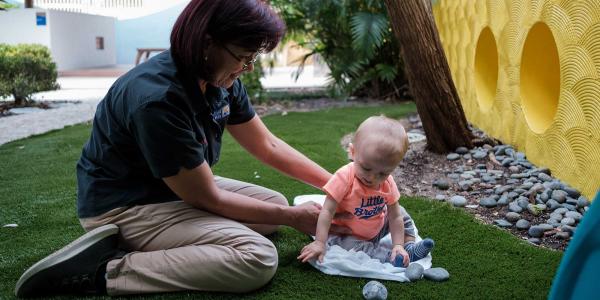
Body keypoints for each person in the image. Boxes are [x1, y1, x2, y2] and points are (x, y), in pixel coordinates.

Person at [14, 0, 351, 297]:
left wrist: (339, 185)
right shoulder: (157, 99)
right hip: (126, 205)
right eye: (243, 58)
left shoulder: (220, 80)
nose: (246, 68)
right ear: (208, 42)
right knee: (258, 257)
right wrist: (294, 217)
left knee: (273, 205)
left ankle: (177, 241)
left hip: (173, 188)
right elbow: (207, 198)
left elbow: (267, 145)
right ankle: (105, 270)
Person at [297, 116, 434, 267]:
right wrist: (319, 242)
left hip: (378, 228)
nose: (372, 178)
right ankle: (391, 258)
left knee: (401, 214)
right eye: (366, 168)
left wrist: (398, 245)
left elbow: (394, 217)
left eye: (383, 173)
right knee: (356, 249)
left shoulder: (387, 182)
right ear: (352, 152)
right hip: (349, 233)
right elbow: (327, 211)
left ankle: (407, 248)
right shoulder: (345, 177)